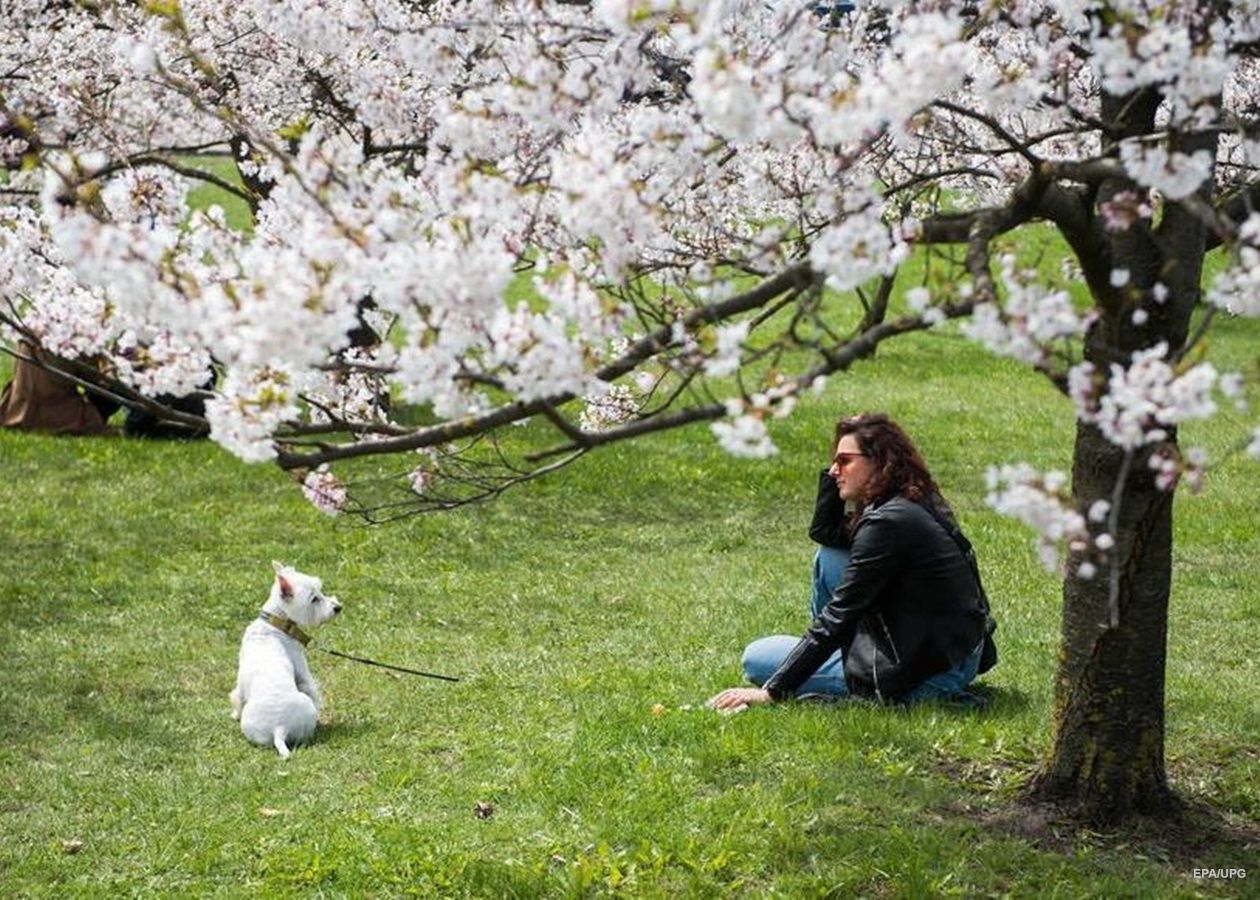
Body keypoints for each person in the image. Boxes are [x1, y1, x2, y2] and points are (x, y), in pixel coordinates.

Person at [709, 412, 995, 712]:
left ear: (879, 461)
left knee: (756, 657)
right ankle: (834, 657)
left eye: (844, 461)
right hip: (953, 653)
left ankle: (863, 675)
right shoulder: (911, 499)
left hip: (928, 673)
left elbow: (839, 616)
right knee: (831, 556)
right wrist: (842, 474)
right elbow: (826, 533)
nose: (834, 470)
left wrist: (774, 691)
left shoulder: (888, 523)